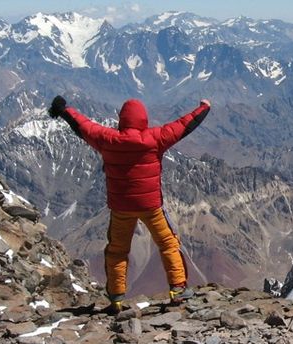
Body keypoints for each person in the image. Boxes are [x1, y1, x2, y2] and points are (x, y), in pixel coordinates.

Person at [47, 95, 211, 314]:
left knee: (117, 251)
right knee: (168, 244)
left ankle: (116, 298)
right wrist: (204, 108)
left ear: (121, 120)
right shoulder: (156, 138)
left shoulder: (107, 138)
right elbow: (184, 125)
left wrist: (64, 110)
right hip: (151, 207)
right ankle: (178, 289)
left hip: (120, 208)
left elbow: (83, 126)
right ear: (144, 120)